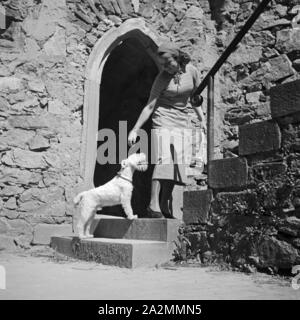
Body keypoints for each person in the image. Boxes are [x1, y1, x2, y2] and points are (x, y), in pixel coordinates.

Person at [128, 41, 206, 219]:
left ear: (177, 58)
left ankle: (164, 204)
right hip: (163, 117)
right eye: (162, 64)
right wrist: (134, 129)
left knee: (176, 163)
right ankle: (152, 205)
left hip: (182, 119)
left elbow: (195, 98)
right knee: (164, 158)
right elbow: (149, 106)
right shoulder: (161, 78)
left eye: (168, 63)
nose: (165, 67)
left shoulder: (192, 71)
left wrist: (201, 119)